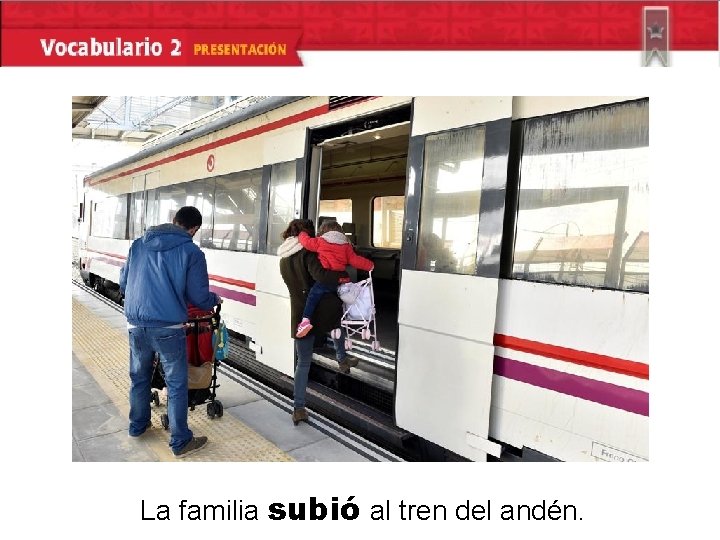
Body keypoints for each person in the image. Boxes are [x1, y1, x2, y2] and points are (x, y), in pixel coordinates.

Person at [119, 206, 221, 458]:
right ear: (194, 228)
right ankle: (180, 441)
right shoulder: (191, 251)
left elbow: (123, 282)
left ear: (174, 221)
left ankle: (138, 425)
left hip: (135, 323)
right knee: (176, 384)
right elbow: (198, 295)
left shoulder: (138, 245)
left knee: (139, 377)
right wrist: (214, 299)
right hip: (168, 327)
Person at [278, 219, 357, 425]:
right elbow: (321, 276)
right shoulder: (308, 253)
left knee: (303, 363)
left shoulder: (284, 257)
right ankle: (342, 359)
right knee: (338, 320)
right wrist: (341, 275)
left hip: (299, 315)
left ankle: (298, 408)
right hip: (320, 312)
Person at [295, 220, 374, 338]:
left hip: (325, 280)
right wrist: (370, 265)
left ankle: (305, 320)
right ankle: (337, 325)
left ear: (323, 231)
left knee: (312, 297)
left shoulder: (321, 241)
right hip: (340, 280)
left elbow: (306, 243)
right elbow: (354, 260)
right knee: (338, 302)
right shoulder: (346, 245)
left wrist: (301, 234)